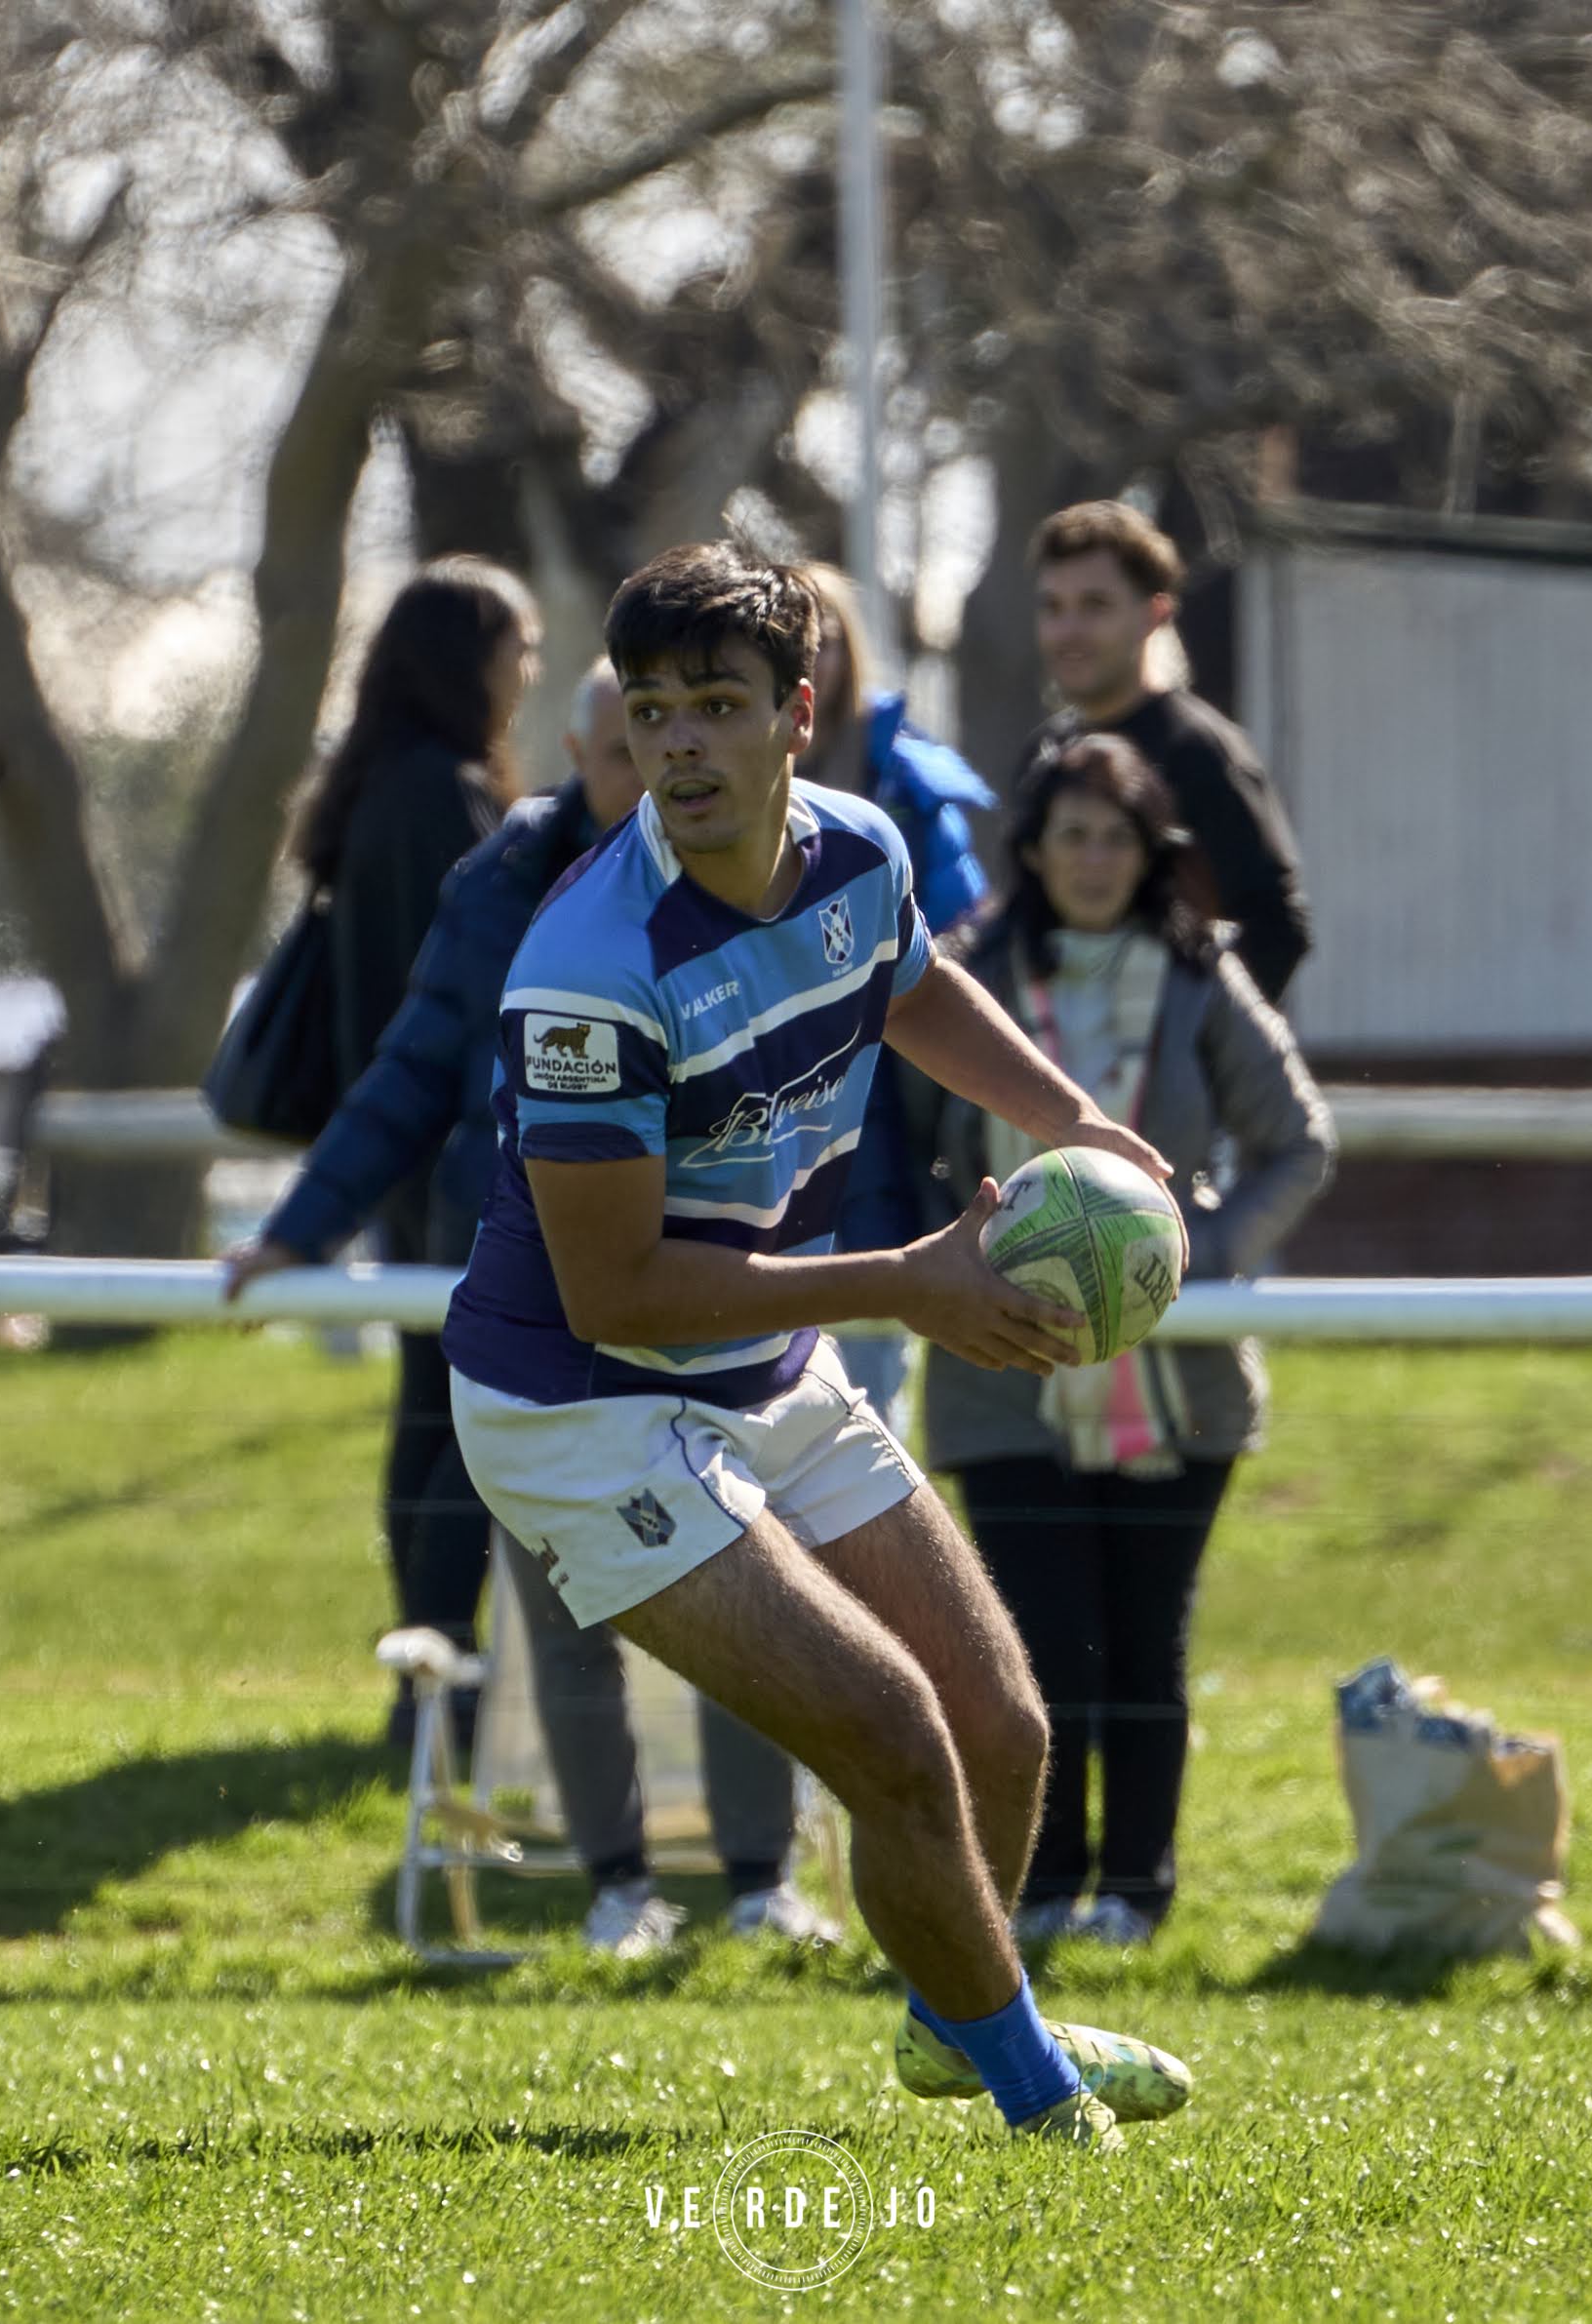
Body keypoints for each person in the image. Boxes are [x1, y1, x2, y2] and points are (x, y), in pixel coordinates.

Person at [441, 541, 1190, 2145]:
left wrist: (1071, 1121)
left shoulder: (854, 849)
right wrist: (907, 1281)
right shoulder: (587, 971)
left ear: (799, 713)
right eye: (649, 716)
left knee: (999, 1726)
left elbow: (905, 984)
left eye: (716, 706)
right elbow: (618, 1295)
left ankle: (952, 2019)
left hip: (756, 1359)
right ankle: (1037, 2093)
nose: (679, 748)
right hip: (581, 1406)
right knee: (891, 1732)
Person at [226, 663, 836, 1951]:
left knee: (753, 1604)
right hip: (539, 1307)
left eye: (684, 733)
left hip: (716, 1296)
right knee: (564, 1610)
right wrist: (298, 1227)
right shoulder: (504, 886)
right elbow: (412, 1065)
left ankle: (761, 1886)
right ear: (575, 756)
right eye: (624, 748)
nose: (657, 771)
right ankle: (617, 1886)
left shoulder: (772, 871)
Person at [911, 733, 1333, 1946]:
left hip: (1182, 1387)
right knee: (1037, 1651)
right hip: (1001, 1370)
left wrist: (1190, 1255)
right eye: (1073, 833)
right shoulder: (960, 974)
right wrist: (945, 1261)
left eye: (1120, 835)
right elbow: (894, 1147)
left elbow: (1297, 1142)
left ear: (1155, 852)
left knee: (1146, 1647)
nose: (1094, 859)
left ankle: (1136, 1896)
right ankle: (1042, 1891)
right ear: (1032, 848)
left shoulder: (1203, 978)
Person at [283, 557, 542, 1755]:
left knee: (425, 1409)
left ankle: (428, 1668)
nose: (528, 671)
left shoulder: (374, 790)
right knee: (456, 1420)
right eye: (518, 646)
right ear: (470, 659)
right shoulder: (440, 800)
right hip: (451, 1155)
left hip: (402, 1155)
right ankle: (438, 1672)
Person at [795, 562, 998, 1428]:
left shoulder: (906, 787)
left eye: (830, 634)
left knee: (866, 1396)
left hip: (887, 1110)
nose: (818, 654)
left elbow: (955, 947)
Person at [1016, 501, 1312, 1003]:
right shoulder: (1044, 755)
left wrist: (1190, 1043)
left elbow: (1278, 927)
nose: (1069, 631)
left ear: (1154, 614)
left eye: (1095, 606)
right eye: (1053, 607)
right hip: (1062, 1065)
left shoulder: (1200, 751)